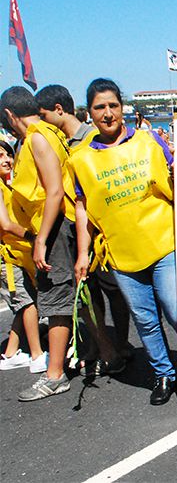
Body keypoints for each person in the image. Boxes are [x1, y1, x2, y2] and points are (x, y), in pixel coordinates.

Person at [68, 78, 177, 405]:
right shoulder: (79, 159)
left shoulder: (150, 141)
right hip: (122, 255)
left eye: (113, 105)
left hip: (164, 244)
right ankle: (163, 374)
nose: (108, 114)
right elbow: (82, 208)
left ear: (122, 108)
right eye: (100, 107)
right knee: (145, 320)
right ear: (89, 113)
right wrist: (82, 253)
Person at [36, 84, 130, 374]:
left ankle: (120, 345)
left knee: (113, 290)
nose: (41, 122)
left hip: (99, 230)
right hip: (77, 230)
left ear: (60, 110)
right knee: (89, 291)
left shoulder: (91, 139)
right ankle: (102, 344)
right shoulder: (62, 141)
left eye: (43, 116)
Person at [1, 86, 75, 402]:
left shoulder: (37, 138)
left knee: (56, 299)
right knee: (66, 298)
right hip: (53, 228)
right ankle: (107, 352)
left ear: (8, 115)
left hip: (54, 230)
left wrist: (40, 239)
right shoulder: (44, 134)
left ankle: (55, 375)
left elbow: (54, 192)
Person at [0, 140, 46, 373]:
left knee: (23, 303)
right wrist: (34, 236)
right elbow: (6, 224)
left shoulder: (5, 184)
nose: (6, 159)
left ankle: (10, 353)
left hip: (16, 255)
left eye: (8, 154)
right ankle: (38, 355)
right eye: (0, 156)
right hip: (8, 257)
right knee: (28, 304)